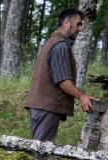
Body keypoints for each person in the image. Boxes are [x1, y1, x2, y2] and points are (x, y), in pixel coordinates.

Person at [23, 9, 96, 143]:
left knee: (38, 147)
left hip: (40, 106)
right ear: (67, 23)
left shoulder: (52, 41)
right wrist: (81, 96)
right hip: (46, 107)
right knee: (41, 151)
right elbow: (63, 81)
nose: (80, 29)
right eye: (78, 24)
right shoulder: (60, 46)